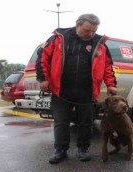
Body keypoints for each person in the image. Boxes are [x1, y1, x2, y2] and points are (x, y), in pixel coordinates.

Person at [36, 13, 117, 164]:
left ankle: (83, 149)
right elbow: (42, 57)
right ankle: (60, 150)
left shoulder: (99, 43)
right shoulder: (58, 38)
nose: (91, 34)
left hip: (87, 90)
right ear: (77, 25)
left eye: (93, 31)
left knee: (86, 122)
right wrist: (43, 78)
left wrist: (111, 84)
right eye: (87, 30)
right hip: (61, 90)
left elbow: (108, 66)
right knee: (61, 121)